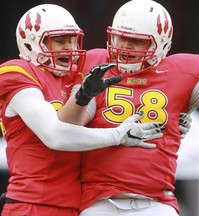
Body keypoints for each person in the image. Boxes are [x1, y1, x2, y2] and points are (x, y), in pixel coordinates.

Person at [59, 0, 199, 215]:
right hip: (99, 202)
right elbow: (66, 127)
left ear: (162, 43)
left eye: (137, 40)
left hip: (156, 202)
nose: (125, 47)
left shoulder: (180, 73)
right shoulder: (96, 66)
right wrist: (84, 94)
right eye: (121, 38)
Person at [0, 4, 167, 216]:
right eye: (59, 40)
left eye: (72, 40)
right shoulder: (17, 73)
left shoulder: (76, 78)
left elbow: (105, 114)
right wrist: (117, 135)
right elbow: (55, 136)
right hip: (32, 203)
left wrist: (175, 118)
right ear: (31, 42)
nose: (69, 47)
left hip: (74, 205)